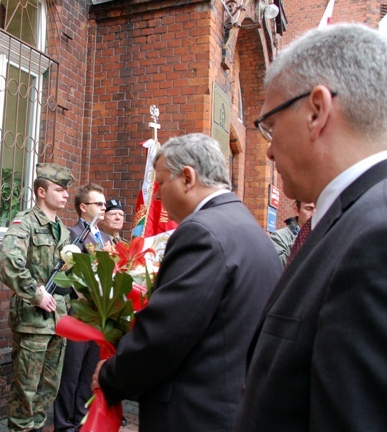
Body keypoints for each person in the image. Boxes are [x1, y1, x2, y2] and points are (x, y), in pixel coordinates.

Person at [233, 24, 387, 431]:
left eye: (270, 123)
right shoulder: (353, 219)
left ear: (316, 110)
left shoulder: (375, 238)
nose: (267, 148)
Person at [91, 133, 282, 431]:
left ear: (188, 178)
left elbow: (165, 334)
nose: (156, 196)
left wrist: (109, 375)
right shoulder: (248, 227)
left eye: (162, 183)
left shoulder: (201, 232)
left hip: (194, 413)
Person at [0, 163, 75, 432]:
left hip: (58, 320)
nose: (65, 195)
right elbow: (7, 261)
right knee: (26, 392)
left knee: (47, 390)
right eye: (59, 190)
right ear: (41, 191)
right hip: (32, 321)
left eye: (66, 191)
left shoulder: (62, 229)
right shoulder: (26, 222)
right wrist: (35, 293)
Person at [54, 183, 106, 432]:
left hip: (99, 312)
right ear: (83, 207)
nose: (104, 208)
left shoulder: (103, 238)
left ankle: (81, 419)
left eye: (105, 203)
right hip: (78, 311)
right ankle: (64, 424)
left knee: (89, 371)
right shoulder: (71, 235)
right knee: (71, 370)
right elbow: (63, 276)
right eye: (99, 204)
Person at [269, 200, 315, 267]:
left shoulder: (324, 235)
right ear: (297, 210)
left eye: (318, 209)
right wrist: (301, 239)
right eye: (309, 209)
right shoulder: (279, 237)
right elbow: (276, 267)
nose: (314, 214)